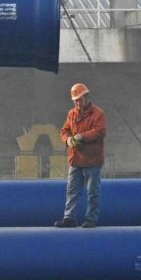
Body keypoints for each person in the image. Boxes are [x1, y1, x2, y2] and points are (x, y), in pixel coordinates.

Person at [54, 82, 106, 228]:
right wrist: (68, 140)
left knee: (92, 192)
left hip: (92, 160)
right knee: (72, 190)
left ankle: (91, 219)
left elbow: (100, 131)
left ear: (86, 97)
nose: (77, 102)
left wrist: (82, 137)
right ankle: (69, 218)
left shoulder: (98, 114)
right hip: (75, 159)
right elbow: (64, 130)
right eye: (75, 100)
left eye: (79, 99)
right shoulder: (72, 114)